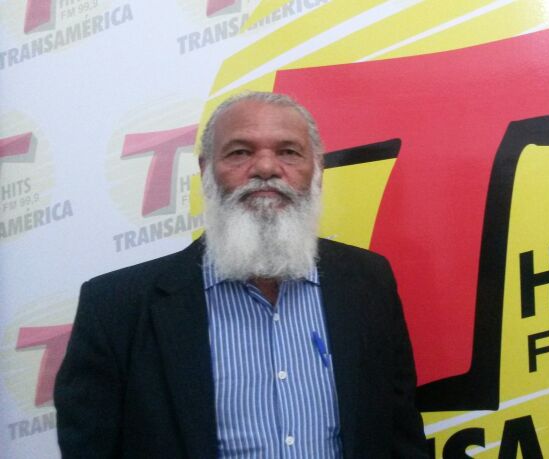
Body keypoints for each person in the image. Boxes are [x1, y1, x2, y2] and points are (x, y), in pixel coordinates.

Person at [54, 92, 429, 458]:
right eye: (240, 152)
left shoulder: (369, 281)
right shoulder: (116, 307)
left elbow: (400, 435)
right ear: (206, 170)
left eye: (288, 152)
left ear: (317, 170)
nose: (266, 168)